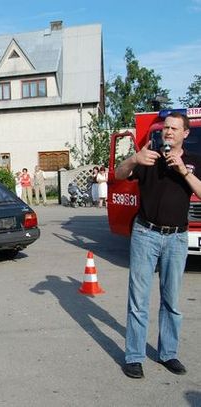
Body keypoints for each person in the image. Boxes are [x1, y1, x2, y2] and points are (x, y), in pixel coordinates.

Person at [115, 112, 201, 379]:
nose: (168, 132)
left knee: (171, 300)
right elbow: (118, 175)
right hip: (146, 234)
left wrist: (183, 171)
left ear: (185, 133)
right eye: (166, 127)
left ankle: (168, 353)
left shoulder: (193, 161)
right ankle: (134, 356)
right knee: (138, 300)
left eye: (174, 128)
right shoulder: (147, 156)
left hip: (177, 238)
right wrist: (133, 159)